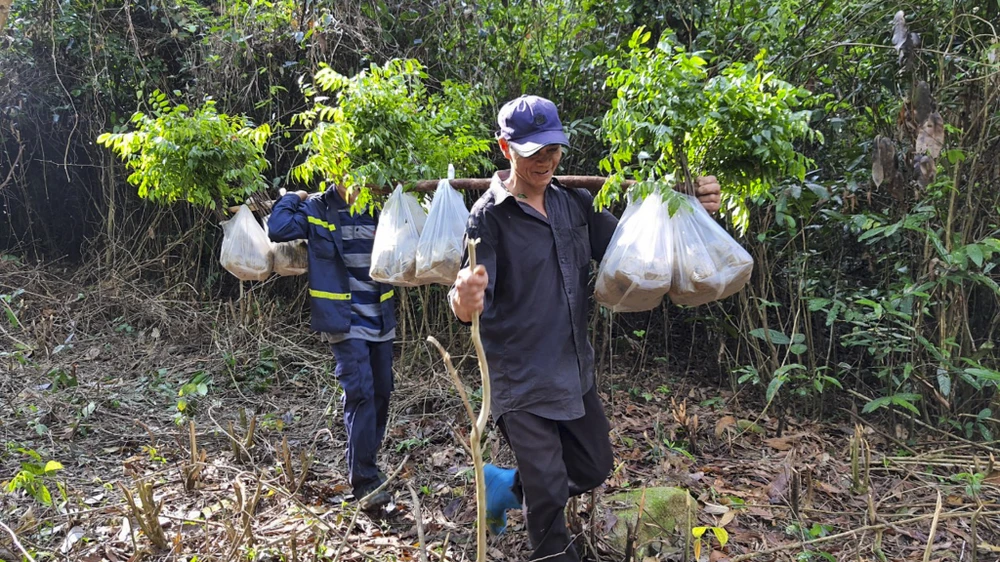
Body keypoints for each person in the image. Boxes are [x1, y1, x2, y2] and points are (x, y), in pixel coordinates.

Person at [449, 94, 721, 561]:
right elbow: (467, 299)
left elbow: (635, 248)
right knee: (550, 492)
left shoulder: (576, 204)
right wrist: (464, 298)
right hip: (520, 376)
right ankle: (552, 551)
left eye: (553, 150)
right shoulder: (488, 218)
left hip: (573, 367)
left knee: (594, 465)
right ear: (505, 148)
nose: (546, 161)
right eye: (533, 152)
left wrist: (692, 212)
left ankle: (505, 485)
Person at [268, 184, 397, 512]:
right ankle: (365, 480)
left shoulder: (378, 206)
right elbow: (278, 228)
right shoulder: (318, 209)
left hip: (380, 317)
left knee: (382, 391)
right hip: (343, 321)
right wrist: (293, 197)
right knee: (361, 393)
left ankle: (368, 464)